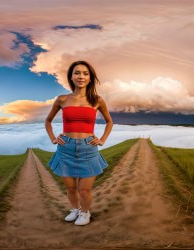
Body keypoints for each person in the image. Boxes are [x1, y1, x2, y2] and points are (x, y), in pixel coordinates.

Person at [44, 60, 113, 226]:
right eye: (77, 73)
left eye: (85, 73)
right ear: (71, 77)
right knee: (71, 188)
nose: (81, 76)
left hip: (88, 148)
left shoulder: (97, 100)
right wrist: (53, 138)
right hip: (65, 147)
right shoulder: (62, 99)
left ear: (90, 78)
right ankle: (75, 209)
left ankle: (84, 212)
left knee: (84, 189)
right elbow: (48, 121)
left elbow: (109, 122)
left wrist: (102, 139)